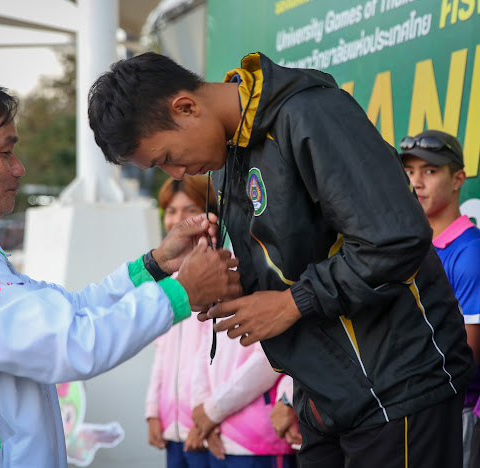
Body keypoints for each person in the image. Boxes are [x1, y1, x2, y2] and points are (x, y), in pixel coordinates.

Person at [87, 51, 475, 468]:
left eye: (166, 157)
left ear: (186, 107)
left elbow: (394, 240)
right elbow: (291, 265)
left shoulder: (309, 113)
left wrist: (292, 303)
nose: (177, 174)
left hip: (398, 386)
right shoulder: (227, 155)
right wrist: (226, 282)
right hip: (326, 397)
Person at [0, 76, 242, 467]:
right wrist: (181, 292)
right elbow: (71, 343)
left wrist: (153, 266)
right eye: (5, 152)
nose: (18, 168)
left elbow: (67, 311)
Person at [401, 130, 480, 468]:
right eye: (409, 171)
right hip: (409, 412)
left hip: (455, 412)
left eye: (430, 171)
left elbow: (467, 359)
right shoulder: (408, 249)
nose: (416, 182)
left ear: (458, 179)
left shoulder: (470, 252)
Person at [145, 175, 216, 468]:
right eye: (171, 211)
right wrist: (152, 412)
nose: (178, 220)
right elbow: (162, 353)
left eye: (191, 210)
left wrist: (209, 415)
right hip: (172, 429)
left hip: (210, 429)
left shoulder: (219, 272)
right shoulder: (167, 280)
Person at [187, 327, 296, 468]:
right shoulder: (209, 315)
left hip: (257, 437)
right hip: (217, 436)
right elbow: (203, 355)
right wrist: (203, 415)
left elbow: (268, 359)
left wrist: (212, 411)